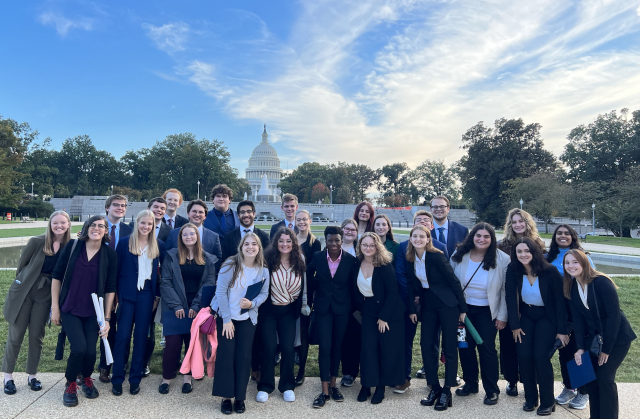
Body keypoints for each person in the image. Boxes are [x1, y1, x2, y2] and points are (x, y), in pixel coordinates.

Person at [50, 215, 117, 407]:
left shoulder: (109, 254)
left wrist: (106, 318)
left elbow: (111, 287)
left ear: (106, 231)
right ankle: (70, 384)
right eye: (93, 225)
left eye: (101, 226)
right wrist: (55, 308)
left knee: (90, 352)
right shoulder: (72, 247)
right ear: (87, 228)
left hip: (93, 312)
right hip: (70, 308)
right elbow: (56, 277)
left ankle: (87, 379)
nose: (96, 228)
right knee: (79, 349)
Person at [3, 211, 71, 395]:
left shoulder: (69, 246)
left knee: (36, 335)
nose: (59, 226)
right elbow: (21, 266)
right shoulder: (37, 241)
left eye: (63, 223)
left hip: (47, 293)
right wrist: (23, 285)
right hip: (25, 291)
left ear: (68, 224)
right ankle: (8, 376)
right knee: (16, 335)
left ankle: (32, 375)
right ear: (50, 224)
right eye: (55, 223)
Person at [564, 249, 636, 419]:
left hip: (617, 339)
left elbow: (613, 317)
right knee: (591, 379)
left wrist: (606, 350)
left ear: (584, 262)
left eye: (575, 262)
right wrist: (580, 348)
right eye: (567, 262)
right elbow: (578, 321)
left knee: (605, 378)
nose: (571, 266)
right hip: (594, 340)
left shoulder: (601, 282)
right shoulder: (573, 287)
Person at [407, 225, 467, 411]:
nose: (418, 239)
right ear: (411, 239)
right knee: (426, 345)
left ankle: (447, 390)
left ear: (428, 239)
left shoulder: (436, 256)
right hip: (429, 306)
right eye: (414, 236)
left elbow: (454, 281)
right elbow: (412, 287)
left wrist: (462, 309)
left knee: (449, 347)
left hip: (448, 305)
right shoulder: (410, 258)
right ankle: (434, 388)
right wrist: (412, 309)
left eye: (421, 236)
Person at [505, 237, 568, 415]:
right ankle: (531, 398)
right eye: (519, 251)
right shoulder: (513, 269)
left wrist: (562, 331)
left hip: (546, 317)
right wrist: (514, 326)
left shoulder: (550, 271)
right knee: (524, 356)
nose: (523, 254)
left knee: (540, 357)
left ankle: (548, 401)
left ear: (535, 252)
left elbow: (559, 303)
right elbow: (510, 297)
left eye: (527, 251)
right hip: (526, 316)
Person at [449, 223, 509, 405]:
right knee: (465, 348)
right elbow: (451, 282)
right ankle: (470, 383)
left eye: (486, 237)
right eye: (478, 236)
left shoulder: (503, 259)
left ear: (492, 239)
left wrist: (502, 316)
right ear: (472, 237)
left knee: (487, 349)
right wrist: (458, 310)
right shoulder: (458, 255)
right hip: (463, 311)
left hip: (488, 312)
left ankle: (491, 389)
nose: (482, 239)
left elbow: (506, 290)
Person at [211, 233, 270, 415]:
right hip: (227, 318)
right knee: (226, 355)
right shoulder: (230, 265)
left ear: (259, 248)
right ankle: (226, 397)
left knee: (244, 357)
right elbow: (220, 293)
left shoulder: (263, 270)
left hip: (247, 319)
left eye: (254, 244)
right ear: (241, 247)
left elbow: (264, 294)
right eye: (247, 244)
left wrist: (252, 304)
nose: (250, 247)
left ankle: (239, 397)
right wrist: (227, 320)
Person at [159, 224, 217, 394]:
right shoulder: (171, 256)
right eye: (185, 234)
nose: (189, 237)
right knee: (173, 344)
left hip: (197, 308)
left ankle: (187, 378)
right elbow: (166, 282)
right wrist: (177, 305)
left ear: (197, 236)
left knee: (192, 345)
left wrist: (197, 306)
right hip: (174, 306)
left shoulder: (208, 258)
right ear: (181, 237)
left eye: (192, 233)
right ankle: (166, 379)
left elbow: (209, 283)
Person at [111, 210, 165, 396]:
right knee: (123, 337)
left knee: (141, 337)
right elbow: (116, 272)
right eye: (143, 223)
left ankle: (135, 378)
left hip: (147, 297)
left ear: (153, 226)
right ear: (137, 223)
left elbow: (162, 276)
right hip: (126, 296)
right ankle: (117, 377)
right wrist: (116, 296)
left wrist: (156, 297)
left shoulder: (158, 245)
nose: (146, 227)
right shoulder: (125, 243)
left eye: (149, 224)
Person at [394, 210, 448, 391]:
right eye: (419, 220)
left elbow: (444, 278)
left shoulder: (440, 247)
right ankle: (404, 377)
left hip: (433, 302)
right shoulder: (403, 247)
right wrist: (412, 298)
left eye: (426, 221)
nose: (423, 222)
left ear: (431, 227)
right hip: (409, 300)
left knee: (431, 341)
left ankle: (431, 378)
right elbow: (401, 274)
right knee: (405, 339)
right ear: (413, 226)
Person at [497, 208, 546, 397]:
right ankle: (511, 380)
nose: (517, 225)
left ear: (527, 223)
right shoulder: (502, 246)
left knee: (528, 345)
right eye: (514, 222)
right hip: (509, 298)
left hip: (530, 301)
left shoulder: (538, 245)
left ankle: (530, 380)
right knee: (508, 343)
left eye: (521, 221)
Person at [307, 226, 358, 408]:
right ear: (325, 240)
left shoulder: (351, 260)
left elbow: (354, 287)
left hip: (342, 309)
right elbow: (308, 274)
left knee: (337, 347)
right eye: (330, 240)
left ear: (342, 239)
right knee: (325, 347)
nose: (334, 243)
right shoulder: (318, 257)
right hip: (323, 309)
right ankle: (324, 390)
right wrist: (318, 285)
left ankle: (334, 385)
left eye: (337, 240)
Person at [256, 228, 307, 403]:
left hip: (289, 312)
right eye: (281, 241)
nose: (284, 244)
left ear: (293, 243)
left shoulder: (299, 260)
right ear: (276, 242)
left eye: (288, 241)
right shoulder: (267, 260)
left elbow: (304, 287)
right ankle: (265, 386)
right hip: (269, 311)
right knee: (269, 348)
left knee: (287, 349)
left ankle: (287, 386)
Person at [354, 233, 405, 404]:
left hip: (388, 313)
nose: (368, 248)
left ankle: (381, 387)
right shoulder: (357, 264)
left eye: (371, 245)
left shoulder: (384, 266)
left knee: (385, 350)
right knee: (368, 349)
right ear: (360, 246)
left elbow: (392, 293)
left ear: (377, 247)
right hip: (369, 311)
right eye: (364, 245)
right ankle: (366, 385)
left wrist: (384, 318)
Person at [547, 224, 594, 409]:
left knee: (578, 349)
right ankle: (569, 387)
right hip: (558, 310)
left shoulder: (583, 257)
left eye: (567, 233)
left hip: (578, 309)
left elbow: (591, 281)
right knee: (564, 349)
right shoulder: (547, 257)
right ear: (555, 236)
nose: (563, 236)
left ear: (573, 236)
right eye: (559, 233)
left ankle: (584, 391)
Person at [99, 194, 134, 383]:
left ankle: (121, 363)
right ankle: (104, 366)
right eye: (116, 205)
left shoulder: (130, 230)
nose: (120, 208)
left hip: (123, 285)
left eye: (123, 205)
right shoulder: (96, 226)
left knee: (124, 329)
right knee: (106, 327)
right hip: (100, 284)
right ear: (107, 208)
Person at [294, 209, 321, 385]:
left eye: (305, 219)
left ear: (310, 221)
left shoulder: (315, 243)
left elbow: (311, 267)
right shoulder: (290, 239)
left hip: (305, 291)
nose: (302, 222)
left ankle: (301, 370)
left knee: (303, 331)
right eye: (299, 219)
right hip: (286, 289)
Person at [165, 199, 222, 268]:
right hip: (178, 276)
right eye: (194, 211)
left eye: (200, 212)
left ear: (205, 216)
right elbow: (166, 257)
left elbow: (218, 260)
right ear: (188, 214)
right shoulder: (174, 234)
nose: (197, 214)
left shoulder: (213, 237)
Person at [338, 217, 360, 387]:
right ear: (342, 230)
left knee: (353, 337)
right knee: (340, 336)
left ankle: (350, 372)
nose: (350, 232)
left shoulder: (360, 251)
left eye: (353, 229)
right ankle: (336, 370)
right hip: (337, 300)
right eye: (347, 229)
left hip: (356, 301)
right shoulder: (333, 247)